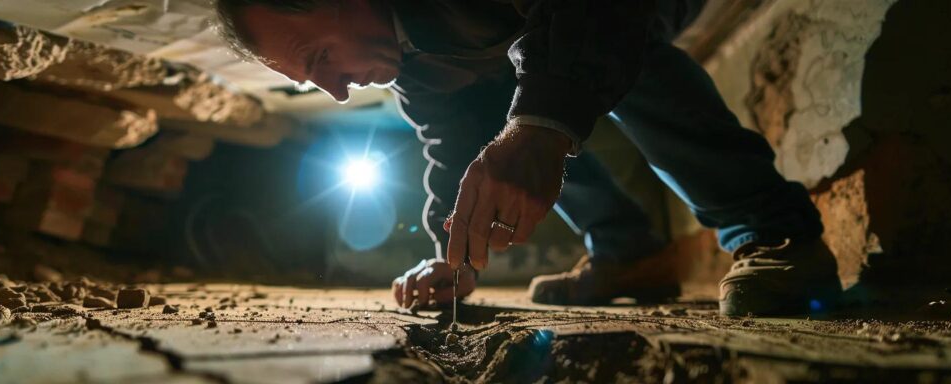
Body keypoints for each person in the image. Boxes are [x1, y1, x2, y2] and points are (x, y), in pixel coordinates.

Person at [214, 0, 843, 316]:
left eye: (320, 58)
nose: (338, 91)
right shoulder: (413, 65)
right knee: (504, 128)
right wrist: (451, 255)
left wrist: (540, 127)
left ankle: (774, 233)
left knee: (605, 44)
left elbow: (590, 11)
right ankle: (630, 255)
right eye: (312, 81)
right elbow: (451, 141)